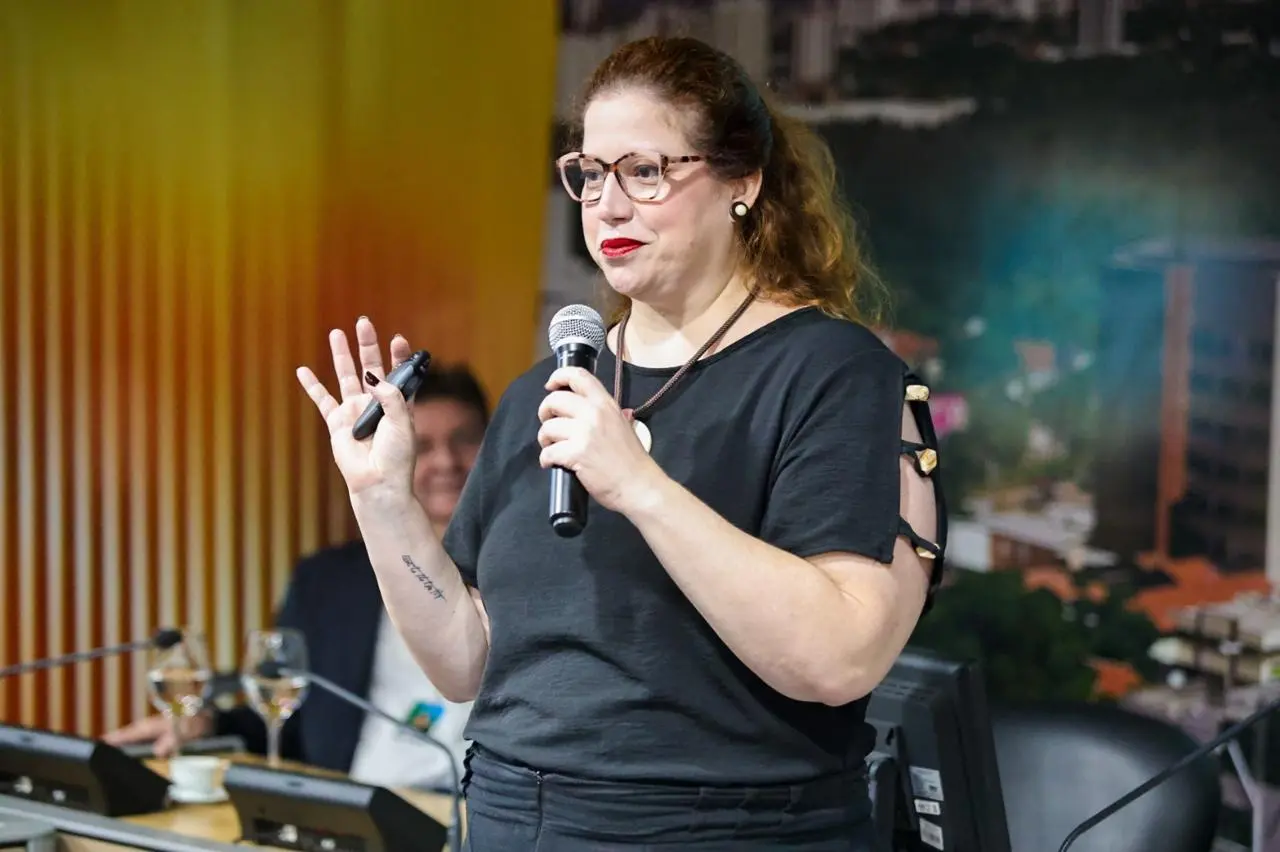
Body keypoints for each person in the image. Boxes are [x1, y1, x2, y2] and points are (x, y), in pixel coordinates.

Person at [296, 36, 946, 850]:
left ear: (741, 183)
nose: (607, 205)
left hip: (726, 830)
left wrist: (641, 485)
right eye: (590, 173)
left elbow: (836, 660)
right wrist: (382, 499)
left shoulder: (831, 373)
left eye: (645, 171)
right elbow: (463, 662)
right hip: (512, 819)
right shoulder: (548, 391)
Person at [105, 365, 488, 792]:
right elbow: (287, 713)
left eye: (464, 440)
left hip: (480, 811)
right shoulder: (327, 582)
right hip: (358, 806)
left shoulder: (525, 576)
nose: (446, 462)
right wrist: (207, 724)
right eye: (422, 445)